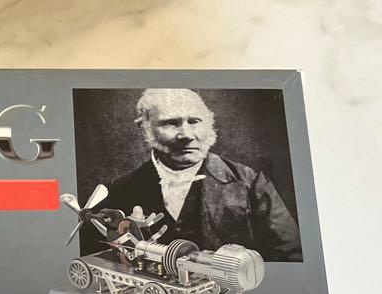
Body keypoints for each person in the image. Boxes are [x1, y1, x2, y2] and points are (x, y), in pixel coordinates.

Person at [83, 89, 302, 261]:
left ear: (209, 124)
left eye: (194, 121)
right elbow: (97, 255)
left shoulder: (250, 183)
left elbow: (290, 256)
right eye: (170, 123)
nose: (186, 135)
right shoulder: (119, 190)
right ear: (145, 128)